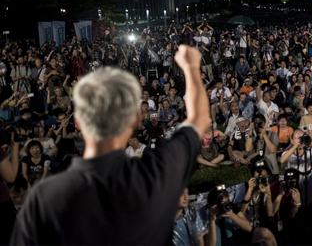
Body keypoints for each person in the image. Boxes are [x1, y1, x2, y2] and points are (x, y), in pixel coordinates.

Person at [11, 45, 211, 244]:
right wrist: (191, 67)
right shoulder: (155, 175)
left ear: (79, 122)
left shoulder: (44, 199)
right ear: (135, 119)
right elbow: (200, 119)